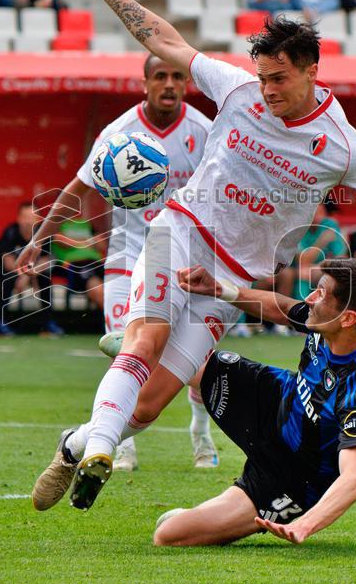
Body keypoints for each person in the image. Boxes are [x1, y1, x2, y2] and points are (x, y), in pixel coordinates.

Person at [26, 0, 356, 513]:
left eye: (279, 79)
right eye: (263, 77)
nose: (268, 89)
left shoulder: (343, 146)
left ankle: (76, 443)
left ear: (310, 71)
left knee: (150, 406)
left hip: (230, 279)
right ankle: (102, 451)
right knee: (144, 340)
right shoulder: (236, 88)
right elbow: (166, 41)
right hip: (178, 231)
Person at [21, 54, 217, 473]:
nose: (169, 84)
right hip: (127, 258)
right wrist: (38, 242)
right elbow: (75, 190)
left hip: (181, 258)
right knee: (125, 352)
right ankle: (121, 446)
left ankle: (200, 432)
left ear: (187, 83)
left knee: (195, 364)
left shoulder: (204, 132)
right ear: (144, 82)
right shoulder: (118, 134)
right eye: (159, 76)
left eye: (177, 77)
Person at [152, 259, 356, 546]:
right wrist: (220, 289)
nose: (309, 298)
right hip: (282, 400)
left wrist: (304, 525)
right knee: (183, 361)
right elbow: (283, 309)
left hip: (295, 473)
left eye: (320, 294)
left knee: (169, 535)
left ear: (348, 319)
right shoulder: (339, 322)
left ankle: (208, 518)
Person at [0, 201, 63, 336]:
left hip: (27, 270)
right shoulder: (11, 232)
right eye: (25, 217)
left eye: (32, 217)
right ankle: (0, 323)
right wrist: (22, 275)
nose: (28, 221)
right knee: (7, 279)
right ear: (19, 218)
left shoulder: (43, 234)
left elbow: (46, 259)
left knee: (44, 279)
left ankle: (48, 323)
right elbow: (8, 261)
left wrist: (27, 275)